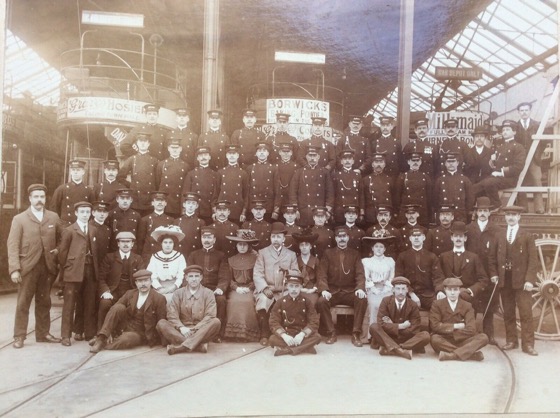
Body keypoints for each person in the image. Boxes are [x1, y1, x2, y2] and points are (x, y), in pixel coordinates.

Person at [8, 184, 62, 348]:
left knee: (44, 301)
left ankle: (43, 333)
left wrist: (57, 251)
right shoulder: (20, 219)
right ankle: (19, 336)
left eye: (42, 197)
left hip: (47, 266)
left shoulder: (53, 217)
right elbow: (13, 245)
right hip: (28, 267)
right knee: (23, 302)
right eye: (36, 197)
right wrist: (15, 269)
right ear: (30, 198)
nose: (39, 200)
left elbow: (62, 239)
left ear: (45, 199)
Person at [488, 205, 538, 356]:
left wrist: (529, 280)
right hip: (505, 280)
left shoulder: (527, 235)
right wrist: (494, 274)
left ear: (519, 217)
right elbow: (491, 257)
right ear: (505, 217)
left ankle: (528, 345)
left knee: (525, 313)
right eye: (508, 214)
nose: (510, 217)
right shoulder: (500, 235)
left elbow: (533, 260)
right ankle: (512, 341)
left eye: (513, 215)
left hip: (522, 282)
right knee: (508, 312)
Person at [90, 269, 167, 353]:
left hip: (140, 333)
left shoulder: (159, 298)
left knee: (126, 340)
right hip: (125, 325)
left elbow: (161, 322)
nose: (143, 284)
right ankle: (101, 338)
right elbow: (114, 310)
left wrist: (155, 339)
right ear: (136, 283)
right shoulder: (130, 293)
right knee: (118, 307)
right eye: (140, 281)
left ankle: (104, 344)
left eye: (146, 281)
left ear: (151, 282)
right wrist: (110, 332)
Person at [316, 226, 367, 347]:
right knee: (321, 301)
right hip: (333, 292)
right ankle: (331, 332)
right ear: (336, 238)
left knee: (362, 299)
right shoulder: (328, 253)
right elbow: (322, 274)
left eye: (344, 236)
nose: (342, 239)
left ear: (348, 238)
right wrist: (324, 290)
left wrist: (360, 288)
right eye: (339, 237)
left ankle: (356, 333)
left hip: (349, 291)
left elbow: (360, 274)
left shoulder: (355, 254)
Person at [58, 201, 100, 346]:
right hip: (73, 271)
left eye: (88, 212)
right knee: (69, 304)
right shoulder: (69, 230)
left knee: (89, 302)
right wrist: (69, 267)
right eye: (82, 212)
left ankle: (88, 332)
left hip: (90, 270)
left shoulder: (93, 229)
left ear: (91, 214)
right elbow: (62, 253)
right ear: (76, 213)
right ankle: (65, 335)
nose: (85, 215)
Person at [157, 265, 221, 354]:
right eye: (191, 276)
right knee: (161, 323)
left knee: (216, 321)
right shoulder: (178, 293)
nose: (194, 279)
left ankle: (180, 348)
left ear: (201, 277)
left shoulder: (208, 293)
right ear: (186, 278)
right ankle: (198, 346)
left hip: (201, 331)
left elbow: (210, 315)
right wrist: (181, 327)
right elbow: (172, 314)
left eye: (196, 276)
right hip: (182, 331)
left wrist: (195, 329)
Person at [253, 222, 299, 345]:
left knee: (290, 301)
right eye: (273, 236)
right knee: (263, 300)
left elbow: (296, 273)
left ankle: (285, 333)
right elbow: (257, 273)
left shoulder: (291, 254)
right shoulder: (263, 253)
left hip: (285, 289)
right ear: (270, 238)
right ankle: (264, 334)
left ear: (284, 238)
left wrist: (287, 271)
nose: (276, 239)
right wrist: (264, 288)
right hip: (268, 289)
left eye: (279, 237)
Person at [466, 196, 501, 344]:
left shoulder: (496, 230)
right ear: (476, 212)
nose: (482, 213)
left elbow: (500, 252)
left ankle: (489, 334)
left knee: (489, 302)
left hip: (489, 271)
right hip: (472, 271)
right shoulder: (469, 229)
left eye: (485, 211)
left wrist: (495, 272)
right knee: (471, 302)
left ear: (489, 213)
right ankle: (471, 332)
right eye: (480, 210)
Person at [369, 277, 431, 359]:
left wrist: (392, 326)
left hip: (406, 339)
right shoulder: (386, 301)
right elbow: (381, 323)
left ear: (407, 290)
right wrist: (400, 326)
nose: (400, 292)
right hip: (388, 336)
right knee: (374, 326)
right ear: (393, 290)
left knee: (426, 335)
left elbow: (415, 327)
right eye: (398, 289)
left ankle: (392, 349)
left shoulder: (413, 305)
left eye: (403, 289)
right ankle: (401, 350)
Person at [471, 120, 526, 211]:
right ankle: (476, 209)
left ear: (514, 132)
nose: (504, 132)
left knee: (488, 183)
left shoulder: (518, 147)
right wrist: (493, 162)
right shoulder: (500, 147)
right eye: (503, 130)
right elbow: (496, 165)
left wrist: (501, 172)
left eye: (508, 130)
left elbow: (518, 166)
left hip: (509, 178)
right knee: (474, 188)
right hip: (497, 177)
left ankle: (496, 205)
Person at [430, 277, 489, 361]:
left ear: (459, 291)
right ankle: (470, 354)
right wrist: (456, 326)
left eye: (455, 290)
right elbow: (435, 326)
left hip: (462, 340)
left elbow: (471, 329)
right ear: (445, 290)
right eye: (450, 290)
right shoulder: (437, 304)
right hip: (444, 340)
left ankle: (452, 355)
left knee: (484, 337)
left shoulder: (467, 305)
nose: (453, 293)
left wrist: (449, 330)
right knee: (434, 339)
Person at [187, 226, 228, 342]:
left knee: (221, 300)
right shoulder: (194, 255)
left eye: (209, 237)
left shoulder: (221, 255)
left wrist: (220, 288)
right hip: (198, 287)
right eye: (204, 237)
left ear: (214, 240)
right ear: (201, 239)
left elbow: (224, 275)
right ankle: (193, 330)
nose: (207, 240)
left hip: (214, 288)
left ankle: (217, 334)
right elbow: (190, 273)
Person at [96, 231, 144, 330]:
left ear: (132, 244)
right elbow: (101, 278)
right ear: (118, 244)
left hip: (131, 291)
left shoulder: (138, 259)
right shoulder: (109, 258)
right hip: (113, 291)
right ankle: (101, 333)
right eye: (122, 241)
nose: (125, 244)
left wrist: (137, 293)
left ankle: (123, 332)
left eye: (128, 242)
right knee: (105, 303)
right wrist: (105, 291)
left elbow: (142, 278)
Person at [268, 271, 322, 356]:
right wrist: (284, 336)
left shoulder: (307, 302)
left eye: (297, 286)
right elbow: (273, 321)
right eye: (291, 286)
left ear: (301, 287)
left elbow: (314, 321)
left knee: (317, 337)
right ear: (287, 287)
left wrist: (302, 334)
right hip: (287, 335)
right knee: (272, 339)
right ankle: (305, 348)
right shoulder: (280, 302)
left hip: (301, 336)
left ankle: (286, 350)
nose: (294, 289)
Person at [221, 229, 260, 342]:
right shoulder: (231, 260)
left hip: (250, 288)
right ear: (236, 246)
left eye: (245, 244)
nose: (242, 247)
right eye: (240, 244)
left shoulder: (255, 259)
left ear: (248, 246)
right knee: (233, 301)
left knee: (247, 301)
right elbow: (229, 278)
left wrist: (249, 288)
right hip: (236, 289)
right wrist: (236, 288)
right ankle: (234, 334)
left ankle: (247, 334)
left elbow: (256, 276)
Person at [437, 221, 489, 303]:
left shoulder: (474, 257)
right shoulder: (444, 256)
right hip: (447, 294)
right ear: (451, 238)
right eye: (455, 236)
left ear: (465, 238)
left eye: (461, 236)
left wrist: (470, 290)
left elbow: (483, 280)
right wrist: (441, 290)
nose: (458, 239)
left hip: (467, 297)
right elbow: (438, 277)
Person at [395, 227, 444, 311]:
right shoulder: (402, 256)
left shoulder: (431, 256)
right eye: (414, 236)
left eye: (419, 235)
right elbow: (399, 278)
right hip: (408, 294)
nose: (416, 238)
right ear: (410, 239)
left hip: (428, 294)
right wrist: (410, 293)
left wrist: (439, 291)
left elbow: (438, 277)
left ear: (423, 238)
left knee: (440, 306)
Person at [515, 101, 550, 213]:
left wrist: (538, 154)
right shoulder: (515, 127)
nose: (524, 112)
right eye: (522, 110)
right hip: (520, 160)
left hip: (534, 159)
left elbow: (544, 141)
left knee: (537, 181)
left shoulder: (537, 125)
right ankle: (523, 207)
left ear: (530, 111)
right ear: (518, 112)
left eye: (526, 110)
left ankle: (539, 208)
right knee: (520, 182)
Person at [289, 144, 334, 227]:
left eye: (314, 155)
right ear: (306, 157)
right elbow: (293, 192)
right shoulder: (299, 172)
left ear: (318, 157)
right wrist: (295, 209)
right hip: (304, 212)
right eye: (310, 155)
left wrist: (328, 210)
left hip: (320, 213)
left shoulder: (324, 172)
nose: (312, 158)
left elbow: (330, 193)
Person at [117, 129, 159, 216]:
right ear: (137, 143)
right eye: (140, 141)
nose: (143, 143)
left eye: (145, 141)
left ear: (148, 144)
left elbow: (158, 180)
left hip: (149, 200)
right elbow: (120, 177)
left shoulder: (155, 160)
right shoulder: (132, 159)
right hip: (136, 199)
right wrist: (131, 186)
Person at [361, 233, 395, 334]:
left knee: (389, 304)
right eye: (376, 247)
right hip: (372, 289)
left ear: (385, 249)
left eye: (381, 247)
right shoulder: (366, 261)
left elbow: (391, 277)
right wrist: (374, 289)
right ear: (372, 248)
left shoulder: (390, 261)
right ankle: (373, 334)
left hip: (387, 289)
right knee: (375, 304)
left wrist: (386, 288)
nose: (379, 249)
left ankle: (387, 332)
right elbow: (367, 278)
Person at [147, 225, 187, 302]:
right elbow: (151, 275)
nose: (168, 245)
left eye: (170, 242)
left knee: (172, 300)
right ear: (161, 244)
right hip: (158, 287)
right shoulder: (155, 257)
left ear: (173, 244)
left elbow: (181, 275)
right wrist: (159, 287)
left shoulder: (179, 256)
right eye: (165, 242)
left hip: (175, 287)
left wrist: (174, 287)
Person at [50, 159, 94, 226]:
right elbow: (54, 210)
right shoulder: (61, 189)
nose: (75, 172)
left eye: (78, 170)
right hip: (65, 227)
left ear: (83, 172)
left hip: (82, 226)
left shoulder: (88, 190)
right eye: (73, 170)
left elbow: (93, 210)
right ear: (70, 172)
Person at [433, 152, 474, 223]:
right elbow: (435, 201)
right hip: (445, 217)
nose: (451, 164)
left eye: (453, 161)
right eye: (448, 162)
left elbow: (470, 200)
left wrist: (464, 213)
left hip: (460, 216)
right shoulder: (440, 180)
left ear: (457, 163)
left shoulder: (464, 180)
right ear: (445, 164)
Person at [395, 151, 432, 227]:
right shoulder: (402, 177)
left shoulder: (426, 177)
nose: (415, 163)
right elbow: (397, 198)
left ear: (421, 162)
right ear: (408, 162)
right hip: (407, 212)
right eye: (413, 161)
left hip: (421, 212)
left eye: (417, 161)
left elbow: (429, 198)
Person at [184, 146, 220, 225]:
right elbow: (185, 194)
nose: (203, 157)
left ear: (209, 157)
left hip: (208, 212)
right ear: (197, 158)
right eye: (201, 155)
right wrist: (184, 211)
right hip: (194, 211)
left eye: (205, 155)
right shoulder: (191, 174)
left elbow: (215, 195)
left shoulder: (215, 175)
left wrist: (214, 211)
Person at [245, 141, 279, 223]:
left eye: (264, 151)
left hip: (268, 207)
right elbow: (246, 191)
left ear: (268, 153)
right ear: (256, 154)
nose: (262, 153)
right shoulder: (250, 168)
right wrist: (245, 209)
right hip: (253, 207)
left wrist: (276, 210)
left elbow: (277, 191)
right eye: (259, 151)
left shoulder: (273, 168)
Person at [156, 137, 190, 217]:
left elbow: (186, 187)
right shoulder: (161, 164)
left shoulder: (185, 166)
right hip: (165, 203)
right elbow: (158, 183)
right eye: (172, 148)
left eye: (177, 148)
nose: (175, 150)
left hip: (178, 203)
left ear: (180, 149)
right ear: (168, 149)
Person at [136, 191, 174, 262]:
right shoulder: (145, 220)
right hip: (149, 254)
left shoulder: (171, 220)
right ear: (152, 203)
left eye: (162, 201)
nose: (160, 203)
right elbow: (140, 241)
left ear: (165, 203)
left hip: (165, 254)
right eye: (157, 200)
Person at [217, 144, 250, 223]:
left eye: (234, 154)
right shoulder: (220, 172)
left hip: (237, 211)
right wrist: (215, 211)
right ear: (226, 155)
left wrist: (243, 212)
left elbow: (246, 195)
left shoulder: (243, 173)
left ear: (238, 155)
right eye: (229, 154)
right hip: (222, 210)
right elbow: (216, 194)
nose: (232, 156)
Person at [361, 152, 394, 227]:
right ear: (372, 164)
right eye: (376, 162)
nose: (378, 164)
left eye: (381, 162)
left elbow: (393, 199)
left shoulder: (389, 180)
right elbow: (362, 198)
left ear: (384, 164)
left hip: (385, 216)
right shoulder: (365, 180)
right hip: (371, 215)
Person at [331, 149, 364, 225]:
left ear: (353, 161)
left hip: (354, 212)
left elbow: (361, 195)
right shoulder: (336, 175)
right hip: (340, 210)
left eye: (349, 159)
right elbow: (332, 195)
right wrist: (332, 211)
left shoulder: (357, 176)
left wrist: (362, 212)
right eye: (345, 159)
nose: (347, 161)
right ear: (341, 161)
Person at [292, 229, 320, 306]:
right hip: (298, 290)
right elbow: (293, 277)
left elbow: (320, 277)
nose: (304, 247)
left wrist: (314, 289)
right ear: (299, 247)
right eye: (302, 245)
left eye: (306, 245)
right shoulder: (295, 260)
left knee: (311, 303)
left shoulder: (315, 260)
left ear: (310, 247)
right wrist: (299, 288)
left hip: (312, 291)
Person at [175, 192, 206, 259]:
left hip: (194, 255)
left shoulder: (201, 222)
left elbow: (202, 242)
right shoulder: (177, 221)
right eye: (188, 203)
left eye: (193, 203)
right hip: (179, 254)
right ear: (184, 204)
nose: (191, 206)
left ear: (197, 206)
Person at [371, 115, 403, 180]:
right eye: (383, 125)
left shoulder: (397, 143)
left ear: (391, 127)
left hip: (393, 175)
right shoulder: (375, 143)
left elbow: (399, 160)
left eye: (387, 125)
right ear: (380, 127)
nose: (385, 128)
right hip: (379, 175)